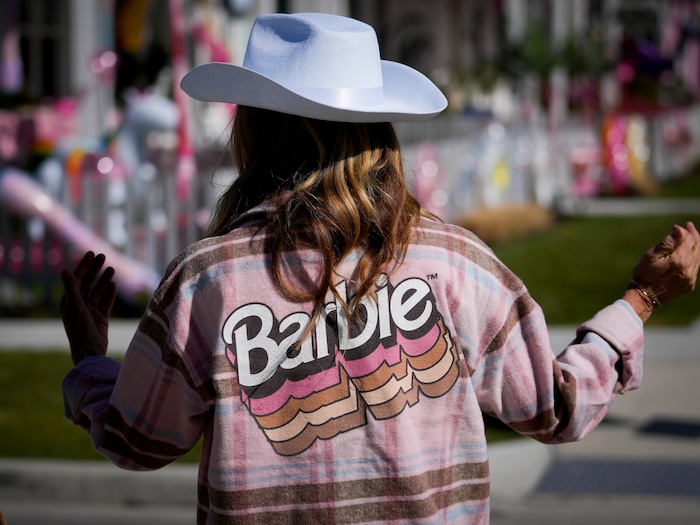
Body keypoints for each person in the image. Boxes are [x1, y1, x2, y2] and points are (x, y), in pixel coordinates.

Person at [59, 12, 700, 525]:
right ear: (376, 130)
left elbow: (139, 441)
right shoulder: (455, 263)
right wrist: (640, 299)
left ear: (253, 131)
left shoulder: (207, 282)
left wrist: (90, 361)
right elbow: (555, 407)